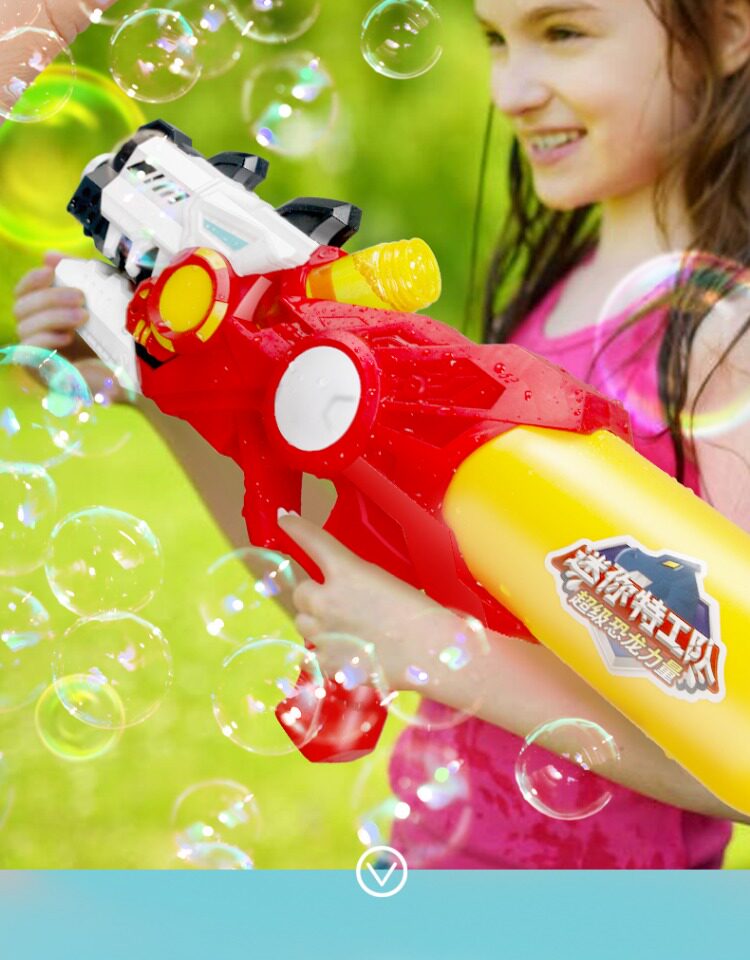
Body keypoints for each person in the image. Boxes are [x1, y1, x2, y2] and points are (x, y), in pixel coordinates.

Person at [11, 0, 750, 868]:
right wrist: (162, 383)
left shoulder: (724, 339)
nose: (511, 91)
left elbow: (734, 750)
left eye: (563, 33)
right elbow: (337, 597)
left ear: (730, 29)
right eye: (495, 41)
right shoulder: (543, 311)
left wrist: (431, 647)